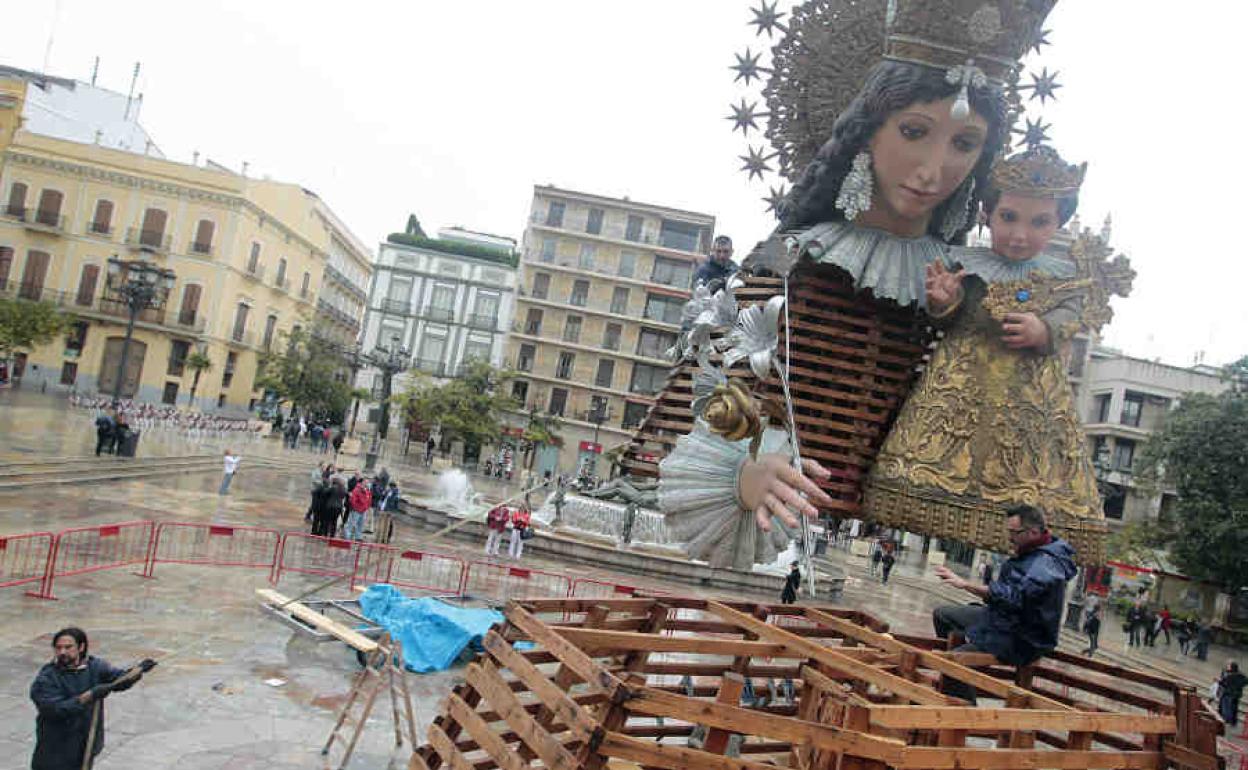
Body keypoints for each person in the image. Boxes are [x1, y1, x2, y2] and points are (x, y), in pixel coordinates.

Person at [932, 505, 1077, 703]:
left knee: (952, 662)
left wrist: (966, 585)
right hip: (1002, 620)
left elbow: (1016, 598)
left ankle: (965, 713)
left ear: (1033, 532)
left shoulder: (1046, 563)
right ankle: (965, 675)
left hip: (1023, 637)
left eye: (1014, 532)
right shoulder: (1029, 551)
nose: (1010, 537)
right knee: (943, 615)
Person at [30, 627, 153, 770]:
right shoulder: (47, 677)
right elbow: (55, 709)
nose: (62, 652)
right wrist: (88, 696)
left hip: (85, 741)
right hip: (56, 746)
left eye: (68, 647)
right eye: (58, 648)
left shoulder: (95, 666)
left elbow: (117, 681)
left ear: (81, 647)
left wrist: (137, 671)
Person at [1216, 662, 1246, 726]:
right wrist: (1239, 686)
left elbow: (1225, 684)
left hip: (1228, 694)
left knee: (1226, 708)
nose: (1227, 667)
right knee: (1233, 708)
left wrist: (1219, 681)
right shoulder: (1241, 675)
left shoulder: (1230, 676)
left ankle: (1226, 720)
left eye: (1229, 666)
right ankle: (1232, 721)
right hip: (1236, 694)